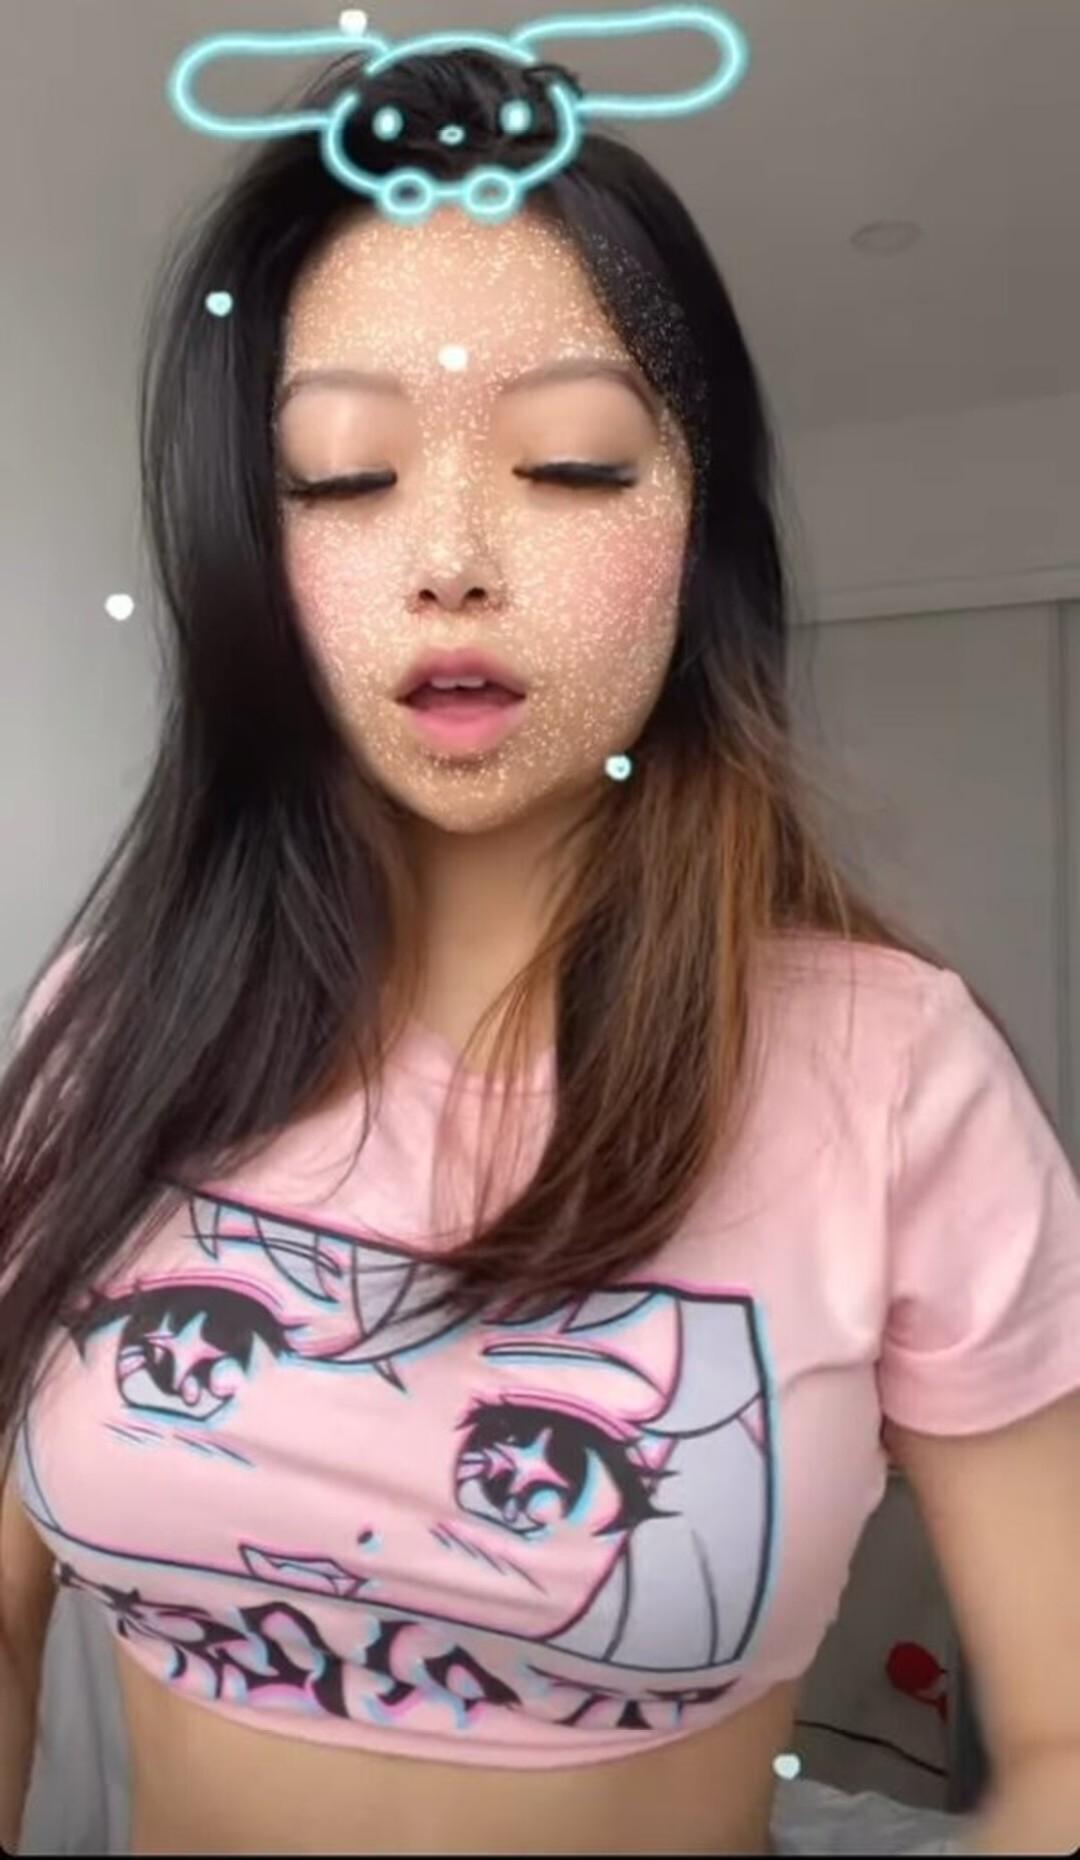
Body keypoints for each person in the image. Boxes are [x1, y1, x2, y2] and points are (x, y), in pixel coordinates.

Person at [2, 41, 1079, 1860]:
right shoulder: (109, 1026)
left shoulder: (897, 1071)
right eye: (343, 478)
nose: (450, 558)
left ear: (697, 527)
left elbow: (1062, 1738)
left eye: (571, 463)